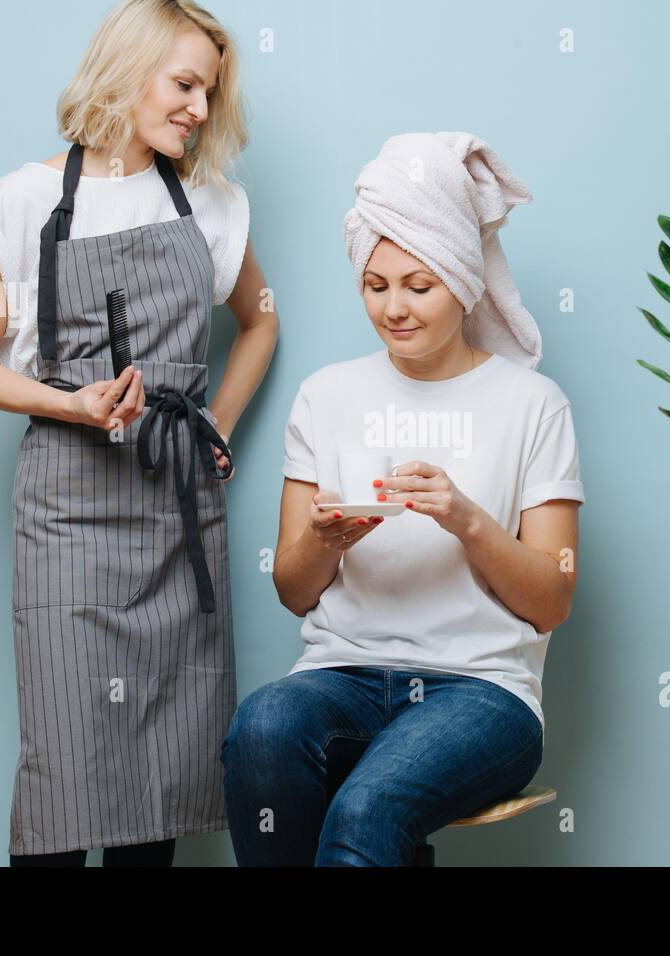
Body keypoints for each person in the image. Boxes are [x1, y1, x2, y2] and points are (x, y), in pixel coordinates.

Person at [0, 0, 277, 867]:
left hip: (174, 510)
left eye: (208, 91)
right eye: (185, 84)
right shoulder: (18, 202)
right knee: (64, 772)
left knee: (155, 782)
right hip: (66, 514)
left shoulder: (211, 204)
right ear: (127, 69)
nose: (200, 109)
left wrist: (218, 430)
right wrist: (73, 405)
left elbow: (261, 321)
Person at [221, 131, 584, 866]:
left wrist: (467, 519)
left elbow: (552, 600)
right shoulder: (326, 395)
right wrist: (325, 540)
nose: (394, 308)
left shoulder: (532, 404)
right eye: (375, 285)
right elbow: (294, 592)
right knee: (260, 729)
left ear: (463, 279)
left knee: (367, 807)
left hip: (482, 690)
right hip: (340, 675)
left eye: (419, 285)